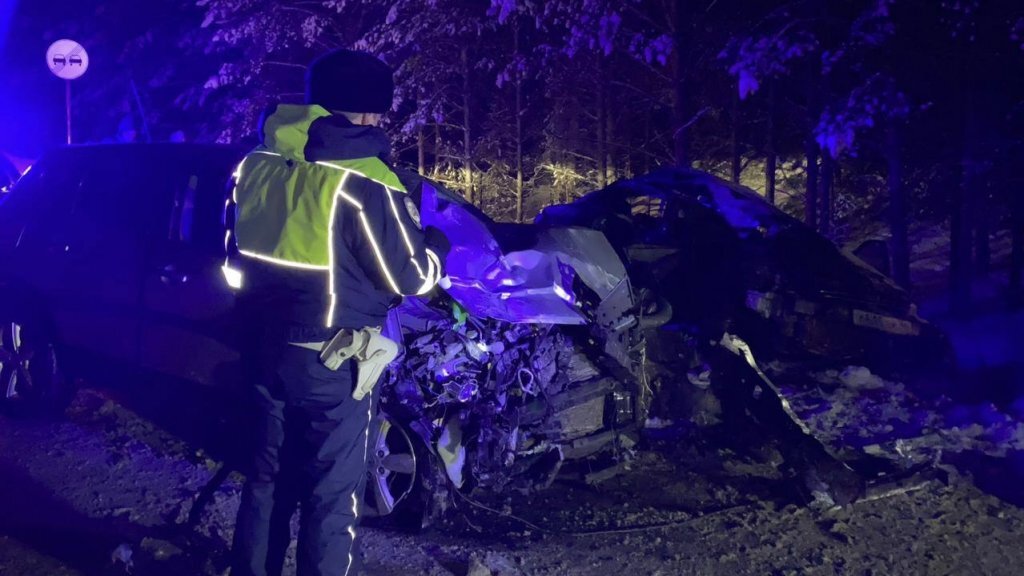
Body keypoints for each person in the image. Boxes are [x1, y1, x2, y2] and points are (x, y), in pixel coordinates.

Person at [223, 49, 449, 576]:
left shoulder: (254, 166)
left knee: (266, 482)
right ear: (369, 112)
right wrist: (436, 243)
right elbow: (413, 278)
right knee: (332, 497)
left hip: (261, 347)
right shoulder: (365, 181)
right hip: (332, 362)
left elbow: (233, 263)